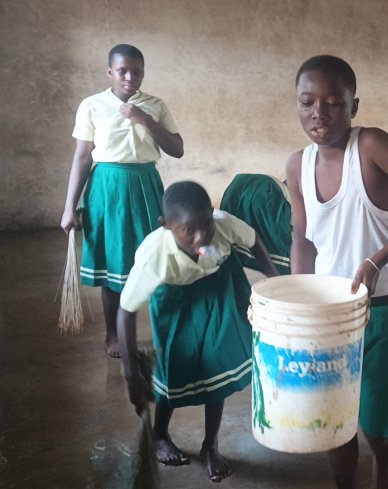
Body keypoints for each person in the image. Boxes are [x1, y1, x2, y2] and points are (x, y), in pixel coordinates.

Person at [285, 55, 388, 489]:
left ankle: (383, 473)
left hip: (385, 308)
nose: (319, 113)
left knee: (378, 417)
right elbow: (303, 240)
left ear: (353, 106)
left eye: (333, 102)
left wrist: (379, 258)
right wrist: (298, 306)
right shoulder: (297, 165)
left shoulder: (370, 147)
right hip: (329, 314)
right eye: (307, 102)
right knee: (333, 414)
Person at [117, 181, 279, 482]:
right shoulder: (154, 255)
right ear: (166, 225)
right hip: (175, 303)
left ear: (212, 214)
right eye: (189, 230)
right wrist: (130, 372)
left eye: (206, 225)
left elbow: (254, 240)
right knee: (174, 369)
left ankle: (210, 445)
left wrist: (273, 276)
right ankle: (160, 434)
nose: (201, 236)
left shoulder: (224, 224)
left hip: (218, 292)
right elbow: (126, 311)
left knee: (216, 369)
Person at [60, 44, 184, 357]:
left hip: (145, 184)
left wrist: (144, 119)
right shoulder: (92, 105)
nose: (130, 77)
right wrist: (69, 207)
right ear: (110, 72)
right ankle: (113, 336)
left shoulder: (154, 105)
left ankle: (162, 331)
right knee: (111, 261)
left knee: (154, 256)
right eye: (122, 71)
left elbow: (177, 148)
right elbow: (82, 157)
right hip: (106, 189)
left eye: (137, 72)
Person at [219, 173, 293, 274]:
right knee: (281, 256)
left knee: (235, 236)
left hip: (238, 184)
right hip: (267, 191)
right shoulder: (294, 200)